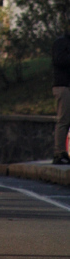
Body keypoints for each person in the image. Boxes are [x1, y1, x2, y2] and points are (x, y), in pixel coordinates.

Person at [52, 22, 70, 166]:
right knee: (63, 120)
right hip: (63, 86)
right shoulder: (61, 42)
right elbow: (59, 60)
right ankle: (59, 153)